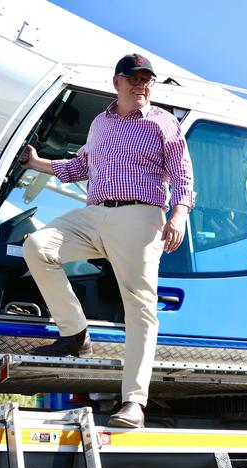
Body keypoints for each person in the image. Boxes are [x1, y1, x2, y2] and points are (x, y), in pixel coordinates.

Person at [20, 53, 195, 428]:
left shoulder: (163, 123)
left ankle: (133, 402)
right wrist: (37, 163)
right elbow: (80, 166)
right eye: (134, 79)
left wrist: (179, 213)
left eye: (147, 80)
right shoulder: (100, 123)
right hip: (95, 212)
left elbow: (182, 174)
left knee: (140, 308)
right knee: (38, 247)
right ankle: (75, 333)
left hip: (140, 215)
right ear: (116, 82)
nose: (141, 85)